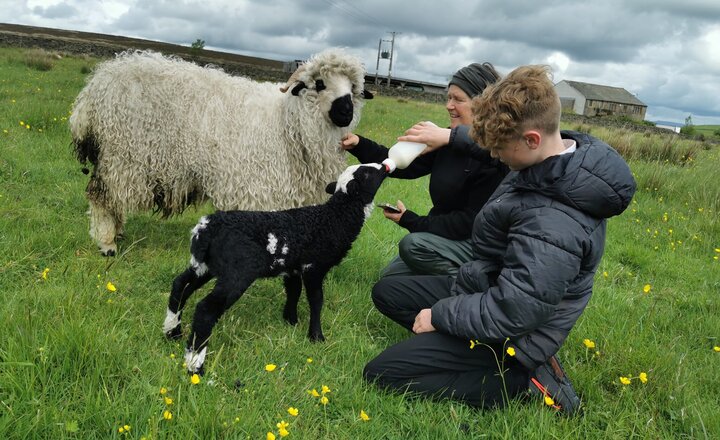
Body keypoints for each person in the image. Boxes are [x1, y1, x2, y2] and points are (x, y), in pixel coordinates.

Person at [363, 65, 637, 414]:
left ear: (532, 139)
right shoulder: (552, 159)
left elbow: (515, 310)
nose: (493, 156)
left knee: (383, 373)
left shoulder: (554, 223)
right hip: (487, 289)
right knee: (389, 292)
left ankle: (518, 382)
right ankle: (462, 345)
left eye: (499, 150)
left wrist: (441, 315)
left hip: (516, 334)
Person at [341, 63, 509, 277]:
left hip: (475, 244)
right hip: (445, 236)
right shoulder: (446, 140)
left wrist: (411, 221)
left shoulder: (499, 154)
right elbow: (403, 164)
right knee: (390, 281)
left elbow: (466, 223)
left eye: (458, 99)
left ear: (483, 104)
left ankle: (475, 286)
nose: (449, 105)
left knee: (413, 246)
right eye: (448, 97)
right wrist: (359, 144)